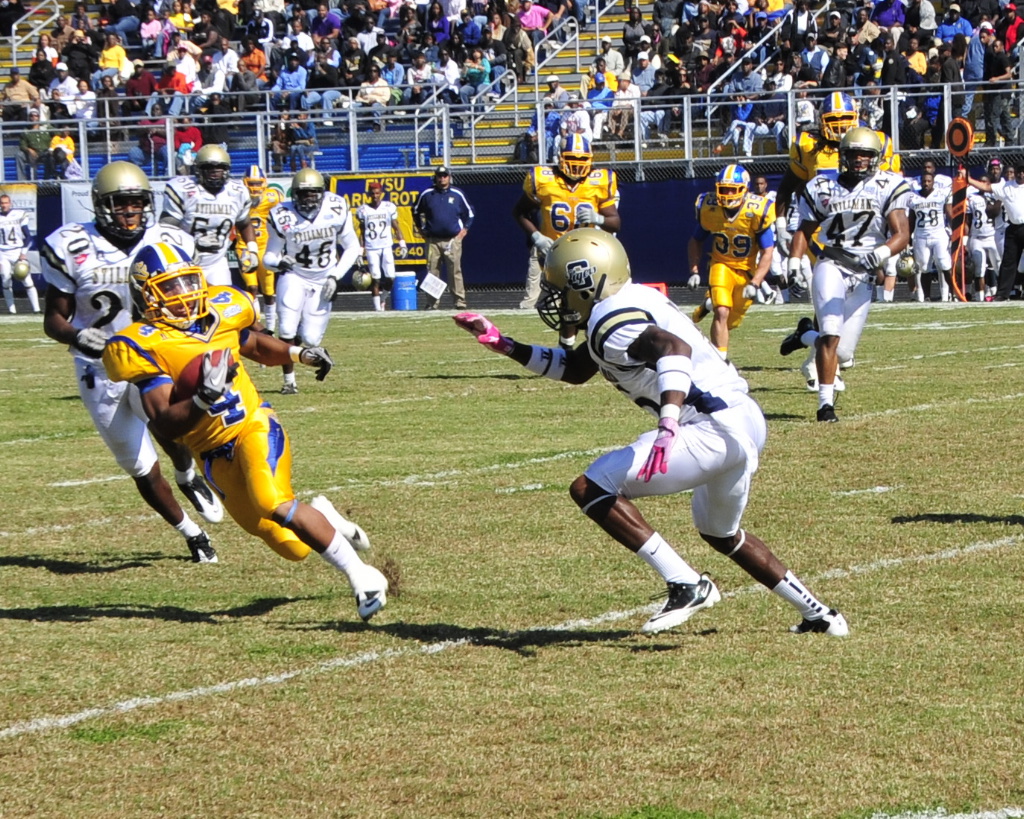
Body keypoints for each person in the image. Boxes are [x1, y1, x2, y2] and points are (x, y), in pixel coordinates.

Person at [453, 229, 849, 637]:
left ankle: (686, 583)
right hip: (743, 419)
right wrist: (505, 345)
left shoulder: (610, 321)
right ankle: (821, 615)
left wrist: (668, 421)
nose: (555, 297)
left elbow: (673, 350)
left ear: (587, 282)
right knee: (721, 532)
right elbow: (576, 369)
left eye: (561, 287)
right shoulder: (627, 302)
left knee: (591, 488)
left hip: (707, 427)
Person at [102, 242, 388, 622]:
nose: (184, 295)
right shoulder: (141, 344)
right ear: (146, 296)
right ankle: (324, 516)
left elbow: (253, 344)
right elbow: (164, 422)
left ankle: (363, 577)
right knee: (290, 546)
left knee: (273, 502)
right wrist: (202, 398)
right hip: (212, 455)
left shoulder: (221, 311)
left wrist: (298, 354)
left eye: (187, 282)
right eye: (170, 288)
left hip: (253, 425)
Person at [40, 162, 224, 564]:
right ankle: (191, 533)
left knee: (173, 429)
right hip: (99, 369)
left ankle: (188, 477)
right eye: (121, 204)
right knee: (139, 465)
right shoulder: (70, 246)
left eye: (137, 203)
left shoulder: (170, 239)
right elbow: (53, 319)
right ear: (101, 206)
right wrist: (76, 334)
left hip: (152, 356)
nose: (130, 212)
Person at [785, 128, 911, 422]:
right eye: (854, 154)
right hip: (832, 262)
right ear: (843, 156)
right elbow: (804, 229)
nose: (859, 160)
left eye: (865, 154)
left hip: (865, 272)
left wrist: (879, 254)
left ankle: (805, 334)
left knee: (843, 354)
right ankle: (824, 406)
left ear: (876, 158)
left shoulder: (887, 185)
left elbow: (901, 233)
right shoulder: (822, 187)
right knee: (830, 334)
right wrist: (794, 259)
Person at [265, 169, 361, 394]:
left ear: (322, 193)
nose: (308, 198)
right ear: (294, 194)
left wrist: (335, 276)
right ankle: (289, 382)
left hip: (323, 277)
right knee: (286, 328)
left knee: (310, 338)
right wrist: (280, 263)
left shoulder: (336, 208)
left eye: (313, 193)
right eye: (303, 193)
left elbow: (352, 247)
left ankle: (299, 343)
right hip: (295, 275)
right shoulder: (281, 214)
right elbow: (269, 256)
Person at [512, 134, 620, 316]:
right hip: (552, 251)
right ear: (560, 157)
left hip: (586, 253)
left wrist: (599, 219)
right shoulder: (543, 178)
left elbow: (615, 223)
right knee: (550, 307)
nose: (577, 164)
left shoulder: (601, 180)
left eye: (582, 159)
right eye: (571, 158)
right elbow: (520, 212)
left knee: (589, 306)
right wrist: (536, 236)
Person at [686, 165, 775, 361]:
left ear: (744, 189)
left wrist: (756, 282)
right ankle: (719, 361)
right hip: (721, 265)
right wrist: (694, 270)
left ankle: (706, 306)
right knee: (722, 312)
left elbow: (767, 251)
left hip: (746, 270)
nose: (726, 194)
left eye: (732, 189)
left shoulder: (757, 210)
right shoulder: (709, 207)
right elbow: (696, 240)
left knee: (732, 321)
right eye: (723, 188)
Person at [159, 145, 258, 289]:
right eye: (208, 167)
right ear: (198, 169)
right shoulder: (183, 190)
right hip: (183, 263)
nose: (215, 172)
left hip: (216, 263)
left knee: (222, 306)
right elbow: (166, 229)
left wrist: (252, 250)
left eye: (220, 168)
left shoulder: (238, 192)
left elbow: (244, 223)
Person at [412, 165, 474, 310]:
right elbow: (415, 210)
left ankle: (459, 301)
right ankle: (432, 303)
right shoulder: (427, 194)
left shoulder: (457, 193)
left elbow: (470, 212)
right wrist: (421, 229)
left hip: (452, 239)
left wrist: (464, 230)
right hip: (433, 239)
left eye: (444, 176)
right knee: (432, 271)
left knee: (455, 271)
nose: (442, 179)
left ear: (449, 177)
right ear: (435, 177)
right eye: (439, 176)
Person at [961, 163, 1024, 301]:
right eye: (1019, 171)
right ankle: (1002, 293)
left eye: (1023, 172)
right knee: (1008, 262)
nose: (1021, 174)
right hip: (1013, 227)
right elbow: (986, 187)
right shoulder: (1006, 186)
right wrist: (969, 179)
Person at [238, 166, 285, 333]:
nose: (255, 187)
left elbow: (286, 208)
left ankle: (271, 328)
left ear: (264, 184)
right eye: (252, 183)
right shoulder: (238, 197)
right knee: (252, 288)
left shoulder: (272, 197)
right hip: (244, 247)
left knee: (269, 291)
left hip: (266, 247)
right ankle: (257, 325)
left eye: (258, 183)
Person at [355, 181, 408, 312]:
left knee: (391, 277)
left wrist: (402, 244)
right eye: (372, 193)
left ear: (381, 193)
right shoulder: (363, 210)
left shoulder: (389, 207)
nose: (375, 196)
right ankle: (377, 308)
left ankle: (383, 297)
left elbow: (396, 227)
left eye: (377, 193)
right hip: (372, 247)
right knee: (376, 278)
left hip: (386, 246)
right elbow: (362, 232)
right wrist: (360, 251)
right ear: (368, 194)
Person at [908, 172, 953, 303]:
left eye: (929, 181)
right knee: (923, 267)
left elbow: (949, 213)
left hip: (939, 234)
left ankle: (953, 293)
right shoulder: (913, 197)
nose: (926, 184)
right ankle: (926, 296)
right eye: (924, 181)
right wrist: (907, 238)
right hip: (921, 235)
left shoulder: (941, 194)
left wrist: (956, 230)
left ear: (933, 182)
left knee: (945, 264)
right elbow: (911, 219)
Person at [0, 194, 40, 314]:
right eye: (2, 203)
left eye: (6, 203)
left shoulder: (19, 215)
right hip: (3, 252)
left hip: (17, 251)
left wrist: (23, 253)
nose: (4, 205)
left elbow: (28, 236)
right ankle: (12, 311)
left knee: (27, 280)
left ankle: (36, 309)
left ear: (10, 203)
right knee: (5, 280)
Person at [966, 177, 1001, 301]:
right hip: (977, 237)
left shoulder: (995, 196)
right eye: (980, 181)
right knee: (978, 269)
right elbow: (968, 220)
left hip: (992, 236)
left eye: (985, 182)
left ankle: (999, 293)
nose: (982, 184)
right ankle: (979, 297)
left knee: (998, 266)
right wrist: (966, 239)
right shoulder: (971, 197)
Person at [17, 109, 53, 181]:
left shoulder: (46, 128)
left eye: (36, 116)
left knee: (50, 156)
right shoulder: (26, 130)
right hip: (32, 153)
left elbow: (58, 133)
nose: (34, 118)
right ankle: (23, 180)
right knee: (19, 155)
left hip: (45, 152)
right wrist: (29, 149)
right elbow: (22, 145)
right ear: (29, 118)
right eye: (31, 116)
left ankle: (46, 180)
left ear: (38, 117)